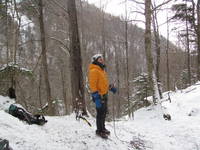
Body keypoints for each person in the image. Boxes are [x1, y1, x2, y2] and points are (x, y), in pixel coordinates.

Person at [88, 54, 117, 139]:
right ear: (96, 61)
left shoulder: (102, 70)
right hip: (99, 96)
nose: (102, 61)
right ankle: (99, 130)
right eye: (100, 59)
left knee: (104, 113)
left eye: (102, 59)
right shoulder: (94, 71)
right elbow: (93, 85)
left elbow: (103, 84)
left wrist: (110, 87)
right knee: (100, 113)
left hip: (105, 94)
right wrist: (96, 97)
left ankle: (103, 128)